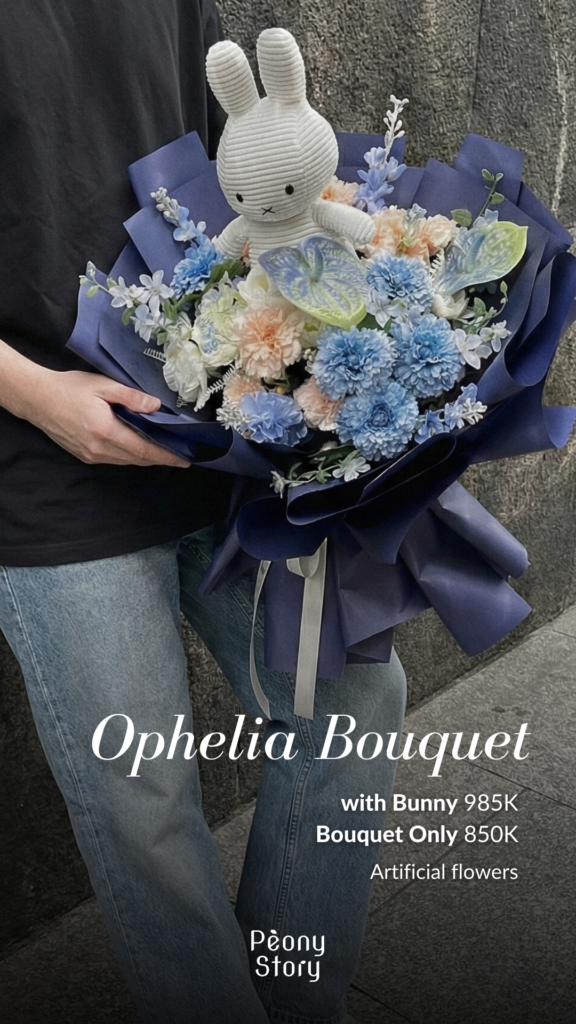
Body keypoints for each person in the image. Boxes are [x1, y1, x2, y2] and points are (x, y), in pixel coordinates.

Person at [0, 3, 406, 1022]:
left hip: (214, 426)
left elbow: (237, 146)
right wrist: (37, 396)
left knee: (355, 702)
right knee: (144, 805)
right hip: (39, 465)